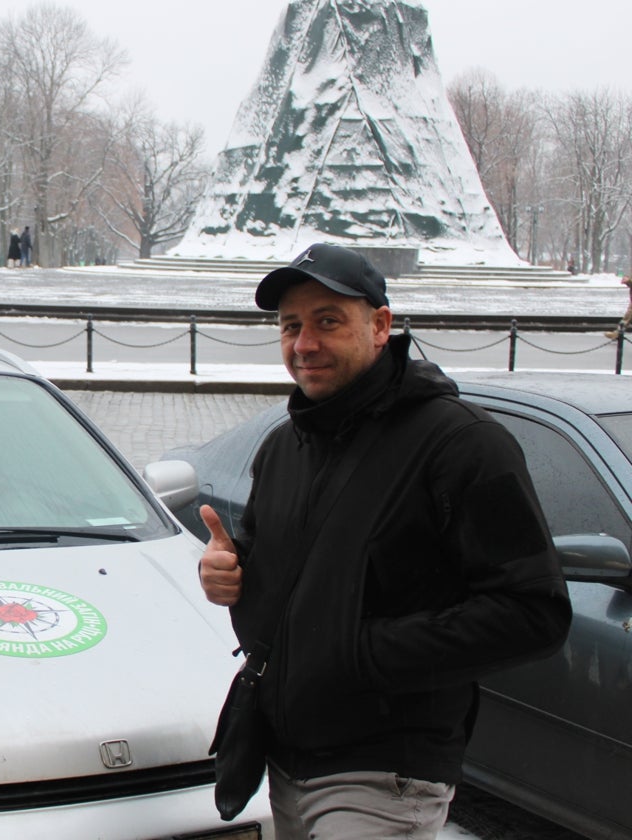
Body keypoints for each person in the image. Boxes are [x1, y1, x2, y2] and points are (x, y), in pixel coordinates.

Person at [198, 243, 571, 839]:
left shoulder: (463, 446)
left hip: (386, 773)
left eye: (327, 321)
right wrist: (229, 572)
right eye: (291, 325)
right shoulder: (284, 446)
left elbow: (533, 613)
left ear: (380, 325)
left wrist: (362, 654)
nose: (305, 344)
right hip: (287, 764)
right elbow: (292, 571)